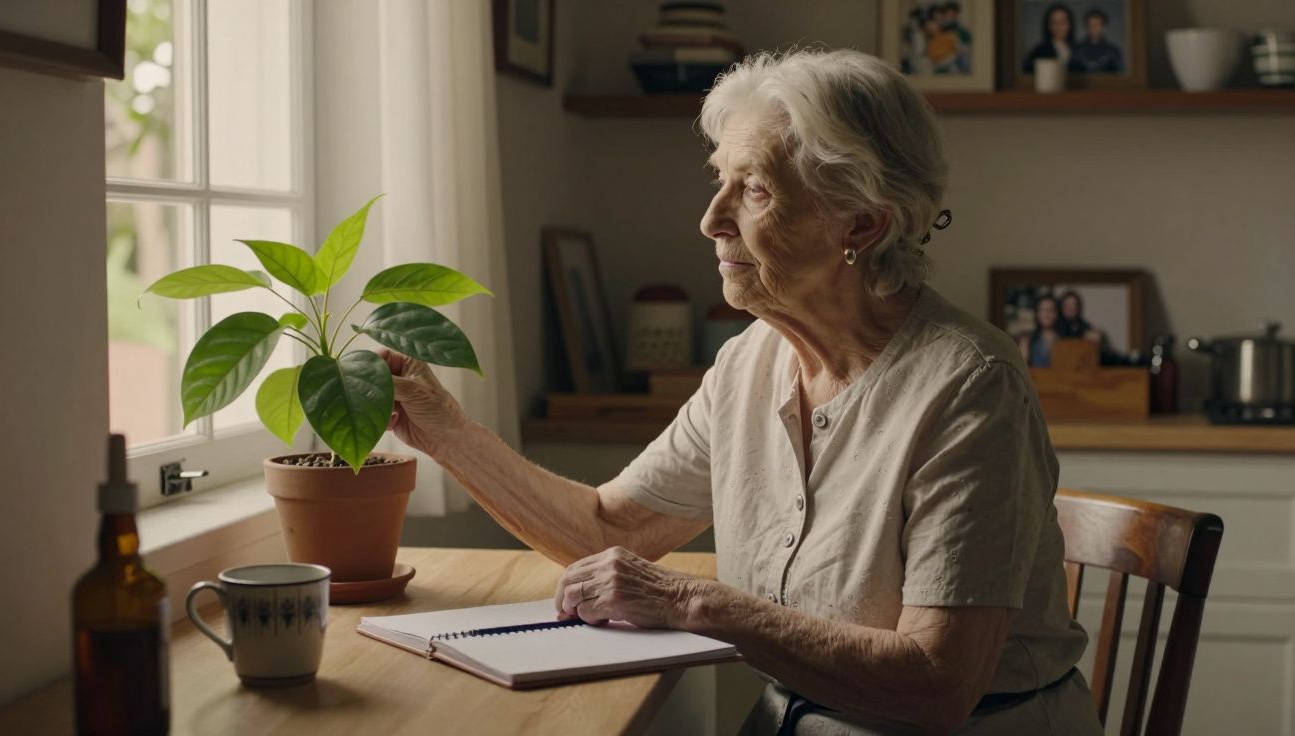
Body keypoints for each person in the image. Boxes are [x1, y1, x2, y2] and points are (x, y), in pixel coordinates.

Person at [381, 49, 1101, 735]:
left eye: (753, 189)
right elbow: (611, 530)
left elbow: (936, 683)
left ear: (862, 222)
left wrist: (692, 602)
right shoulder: (748, 363)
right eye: (719, 179)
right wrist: (444, 429)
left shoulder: (969, 387)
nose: (711, 219)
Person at [1024, 3, 1079, 74]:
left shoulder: (1078, 49)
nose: (1059, 27)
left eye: (1063, 22)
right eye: (1055, 22)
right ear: (1049, 26)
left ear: (1069, 25)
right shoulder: (1040, 51)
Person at [1072, 9, 1124, 73]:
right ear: (1086, 27)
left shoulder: (1112, 51)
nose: (1094, 28)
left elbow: (1120, 75)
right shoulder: (1077, 50)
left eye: (1097, 25)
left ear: (1104, 27)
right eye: (1091, 25)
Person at [1019, 295, 1061, 368]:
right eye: (1043, 310)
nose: (1047, 314)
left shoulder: (1064, 339)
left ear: (1056, 313)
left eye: (1051, 310)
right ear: (1037, 314)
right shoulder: (1028, 340)